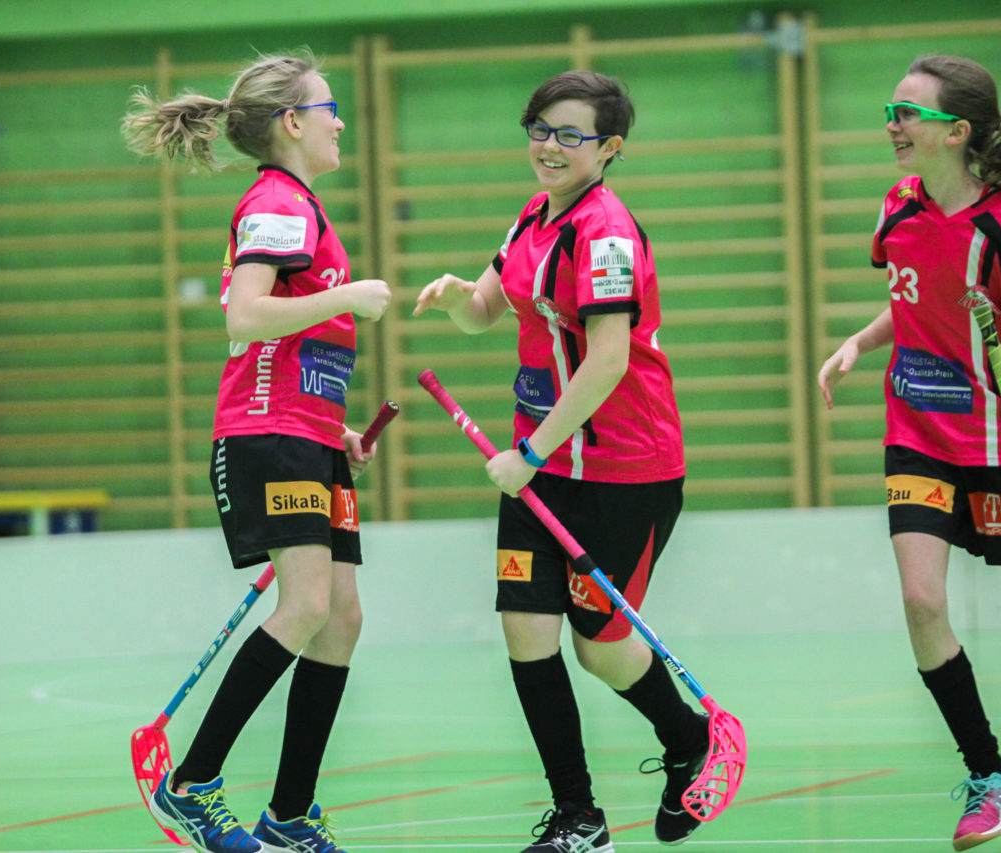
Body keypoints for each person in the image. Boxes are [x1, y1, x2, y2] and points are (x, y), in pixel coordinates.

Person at [414, 70, 710, 851]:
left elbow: (608, 359)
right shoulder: (530, 220)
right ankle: (579, 815)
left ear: (609, 148)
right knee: (525, 632)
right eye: (540, 128)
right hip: (540, 464)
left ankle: (690, 740)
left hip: (622, 468)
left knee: (600, 645)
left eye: (570, 134)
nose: (548, 145)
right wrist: (454, 297)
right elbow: (487, 310)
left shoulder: (605, 233)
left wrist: (531, 451)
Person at [122, 51, 391, 853]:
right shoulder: (278, 203)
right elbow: (245, 315)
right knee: (307, 605)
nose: (341, 120)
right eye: (329, 106)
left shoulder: (299, 203)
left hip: (302, 430)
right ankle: (194, 782)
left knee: (340, 618)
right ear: (293, 123)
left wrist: (330, 422)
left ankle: (290, 815)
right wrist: (349, 295)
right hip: (266, 437)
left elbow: (290, 331)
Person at [818, 54, 1001, 852]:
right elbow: (911, 299)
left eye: (907, 113)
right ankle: (992, 776)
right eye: (892, 110)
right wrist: (859, 341)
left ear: (957, 131)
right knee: (922, 600)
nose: (892, 124)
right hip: (917, 433)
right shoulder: (897, 208)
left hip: (1000, 441)